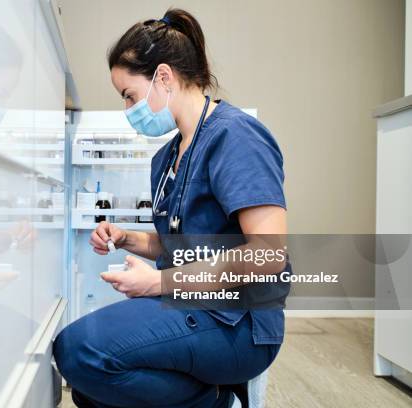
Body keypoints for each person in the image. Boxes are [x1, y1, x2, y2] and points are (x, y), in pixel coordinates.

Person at [54, 8, 292, 408]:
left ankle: (220, 403)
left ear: (163, 77)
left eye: (129, 95)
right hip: (192, 305)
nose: (128, 108)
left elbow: (268, 254)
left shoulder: (235, 137)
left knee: (79, 351)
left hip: (238, 323)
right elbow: (185, 246)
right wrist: (127, 238)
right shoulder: (166, 158)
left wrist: (159, 283)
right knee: (91, 392)